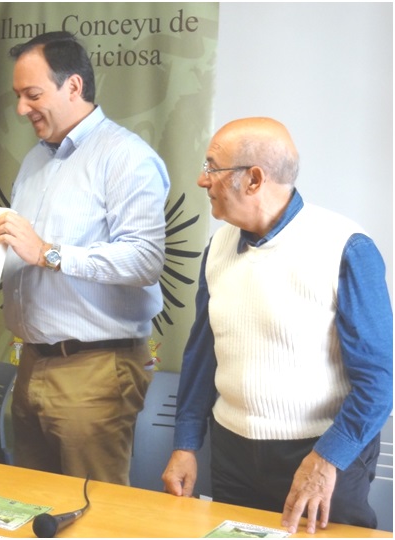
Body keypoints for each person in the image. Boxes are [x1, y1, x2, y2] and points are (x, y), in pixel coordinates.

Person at [161, 117, 392, 533]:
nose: (201, 179)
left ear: (253, 179)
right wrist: (185, 443)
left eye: (212, 167)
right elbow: (201, 356)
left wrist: (326, 460)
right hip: (232, 452)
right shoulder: (217, 247)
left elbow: (379, 381)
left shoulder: (345, 247)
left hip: (321, 453)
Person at [0, 32, 170, 484]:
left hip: (93, 371)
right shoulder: (35, 160)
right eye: (17, 96)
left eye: (33, 95)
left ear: (73, 87)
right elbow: (16, 252)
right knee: (34, 506)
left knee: (95, 516)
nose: (21, 110)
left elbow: (146, 259)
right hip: (31, 362)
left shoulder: (125, 157)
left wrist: (49, 253)